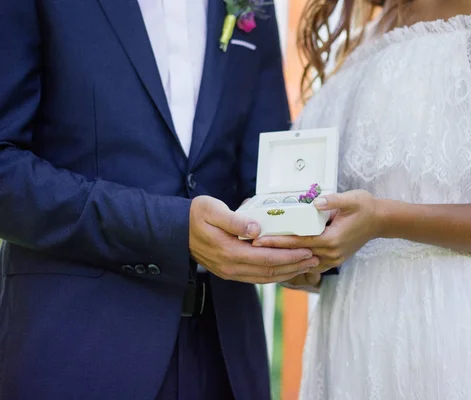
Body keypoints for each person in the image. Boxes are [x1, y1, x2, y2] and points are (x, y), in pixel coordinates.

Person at [255, 0, 471, 398]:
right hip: (349, 346)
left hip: (449, 341)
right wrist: (313, 260)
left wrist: (385, 219)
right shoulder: (366, 32)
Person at [0, 1, 321, 399]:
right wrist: (170, 227)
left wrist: (306, 237)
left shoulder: (252, 7)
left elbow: (262, 175)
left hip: (226, 358)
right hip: (79, 352)